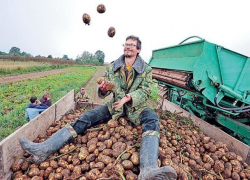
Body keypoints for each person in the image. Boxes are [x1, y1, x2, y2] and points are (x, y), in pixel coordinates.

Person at [19, 36, 177, 180]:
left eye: (132, 45)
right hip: (115, 107)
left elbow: (146, 91)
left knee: (152, 119)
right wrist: (103, 89)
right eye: (126, 44)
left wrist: (127, 98)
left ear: (138, 49)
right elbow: (104, 93)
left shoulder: (146, 69)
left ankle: (148, 169)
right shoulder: (113, 66)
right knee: (86, 118)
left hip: (137, 108)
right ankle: (43, 149)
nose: (128, 47)